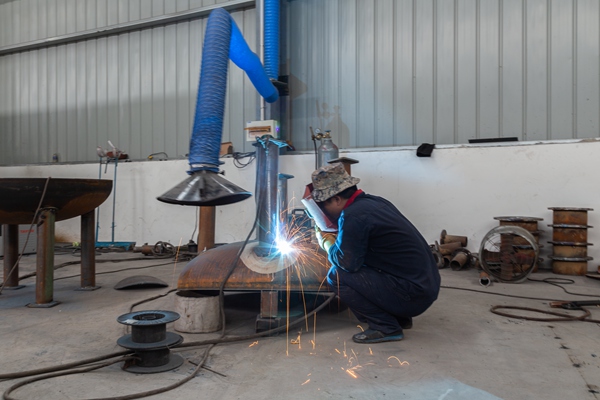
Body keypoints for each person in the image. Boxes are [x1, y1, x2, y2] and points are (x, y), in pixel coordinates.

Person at [311, 162, 441, 344]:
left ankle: (386, 327)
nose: (324, 210)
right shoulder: (374, 202)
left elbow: (346, 263)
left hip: (413, 295)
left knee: (337, 275)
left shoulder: (354, 215)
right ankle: (399, 317)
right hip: (423, 286)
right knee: (362, 264)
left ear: (337, 199)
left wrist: (326, 242)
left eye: (324, 205)